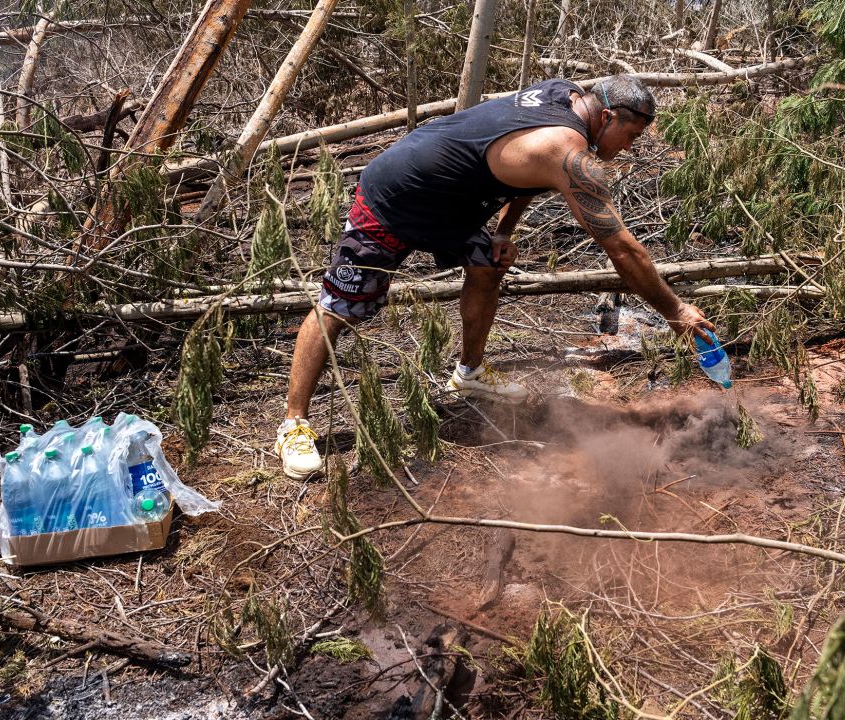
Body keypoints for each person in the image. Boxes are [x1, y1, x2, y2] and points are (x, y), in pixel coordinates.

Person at [275, 74, 716, 479]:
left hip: (453, 203)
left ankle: (470, 372)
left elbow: (531, 175)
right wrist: (675, 310)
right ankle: (294, 424)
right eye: (631, 135)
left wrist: (502, 231)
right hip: (397, 197)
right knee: (341, 305)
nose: (631, 146)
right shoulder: (566, 151)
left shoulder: (566, 94)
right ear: (606, 117)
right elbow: (620, 248)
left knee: (488, 264)